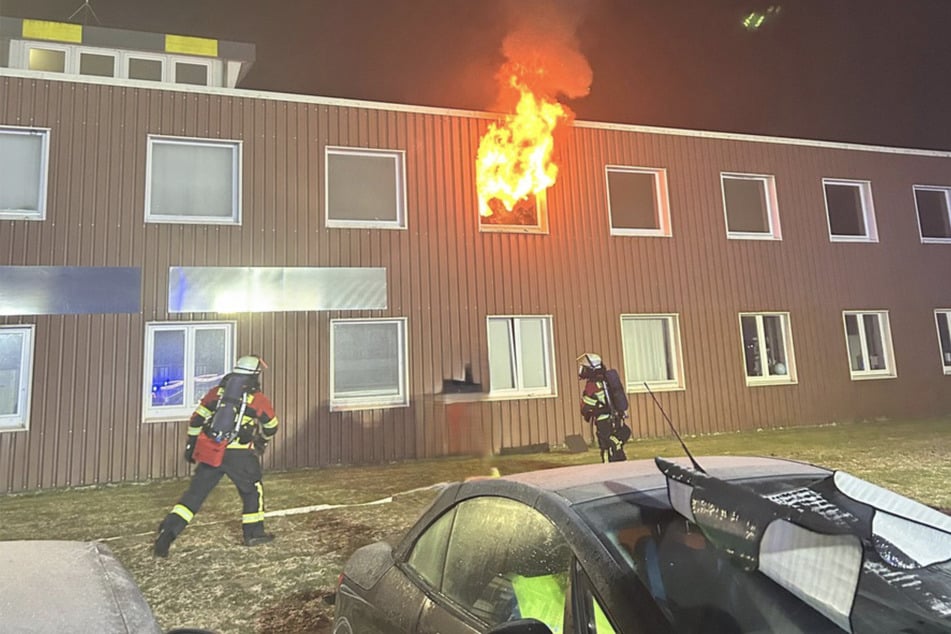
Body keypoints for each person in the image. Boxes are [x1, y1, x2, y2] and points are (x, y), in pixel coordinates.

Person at [153, 354, 280, 557]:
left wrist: (191, 445)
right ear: (255, 375)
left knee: (194, 495)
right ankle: (254, 534)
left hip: (213, 451)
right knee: (252, 491)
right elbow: (272, 425)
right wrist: (261, 441)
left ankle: (168, 533)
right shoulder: (257, 399)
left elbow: (196, 420)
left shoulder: (215, 394)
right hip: (240, 455)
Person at [577, 352, 629, 463]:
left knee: (606, 444)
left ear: (591, 369)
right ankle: (620, 461)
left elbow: (586, 406)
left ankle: (608, 466)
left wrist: (586, 411)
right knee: (614, 442)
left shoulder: (592, 384)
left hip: (603, 420)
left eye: (584, 368)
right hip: (614, 417)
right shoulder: (605, 380)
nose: (582, 370)